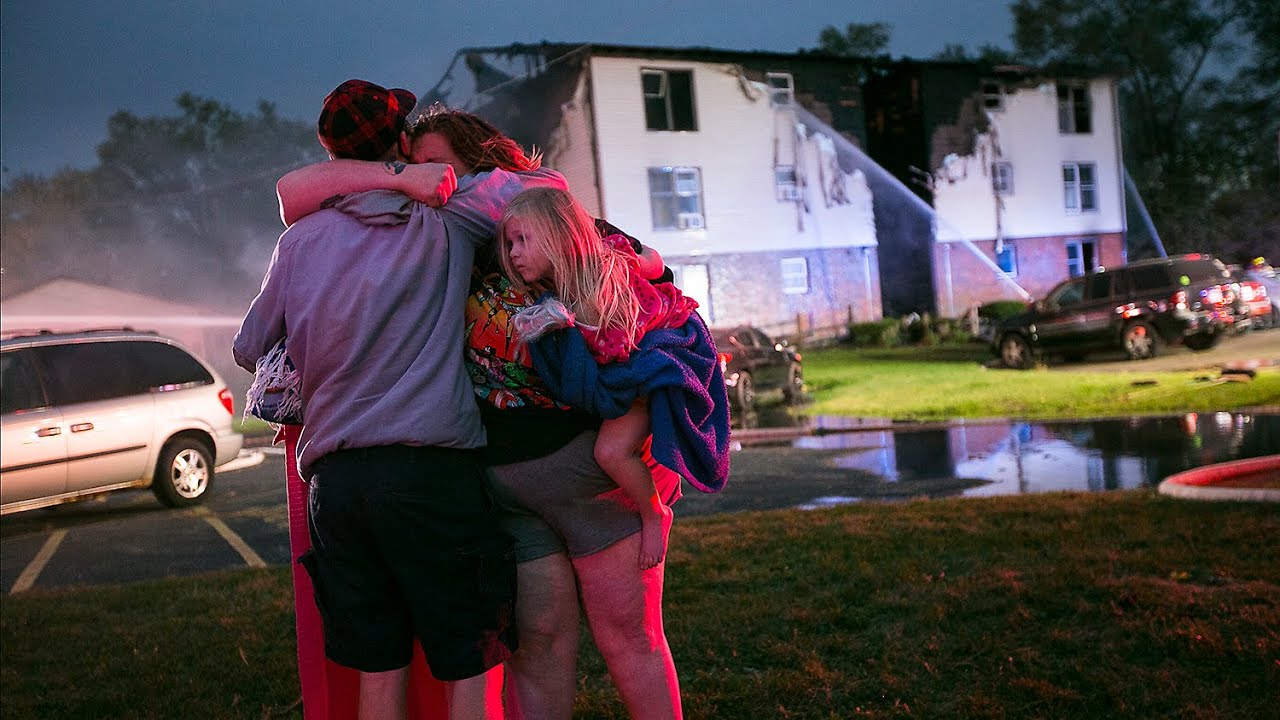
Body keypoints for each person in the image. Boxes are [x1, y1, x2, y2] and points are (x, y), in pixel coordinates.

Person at [275, 103, 730, 720]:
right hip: (505, 492)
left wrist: (630, 272)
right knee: (537, 647)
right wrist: (403, 180)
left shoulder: (545, 223)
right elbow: (295, 193)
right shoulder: (433, 243)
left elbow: (647, 276)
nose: (429, 179)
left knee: (628, 638)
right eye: (415, 165)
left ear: (480, 164)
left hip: (590, 483)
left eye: (438, 164)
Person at [234, 81, 567, 720]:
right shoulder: (448, 219)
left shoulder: (298, 242)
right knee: (471, 659)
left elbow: (249, 345)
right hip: (429, 472)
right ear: (403, 142)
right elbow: (547, 194)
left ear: (332, 156)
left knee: (378, 667)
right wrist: (422, 179)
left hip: (335, 486)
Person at [497, 186, 699, 569]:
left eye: (523, 240)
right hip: (629, 376)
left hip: (646, 377)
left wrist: (641, 262)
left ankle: (654, 513)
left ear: (559, 235)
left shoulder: (603, 268)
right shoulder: (557, 291)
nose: (514, 253)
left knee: (610, 453)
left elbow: (650, 272)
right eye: (510, 244)